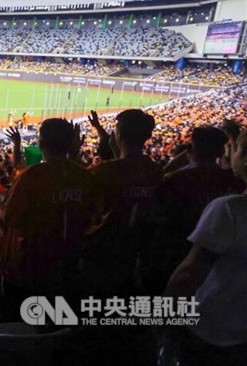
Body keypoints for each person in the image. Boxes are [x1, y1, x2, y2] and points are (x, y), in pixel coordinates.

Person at [162, 130, 247, 365]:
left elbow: (189, 272)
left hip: (212, 321)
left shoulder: (230, 207)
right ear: (221, 152)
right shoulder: (232, 183)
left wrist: (166, 315)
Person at [0, 118, 103, 305]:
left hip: (33, 266)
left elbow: (10, 218)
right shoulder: (85, 177)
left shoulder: (31, 177)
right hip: (74, 263)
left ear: (41, 144)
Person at [87, 109, 164, 295]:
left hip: (104, 249)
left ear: (118, 134)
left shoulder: (104, 171)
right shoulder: (155, 170)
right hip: (139, 249)